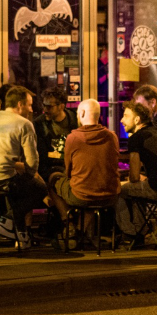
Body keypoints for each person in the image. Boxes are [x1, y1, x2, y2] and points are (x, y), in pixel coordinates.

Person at [0, 86, 45, 250]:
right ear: (20, 104)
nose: (31, 110)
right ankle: (8, 221)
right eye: (29, 105)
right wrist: (29, 174)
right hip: (3, 179)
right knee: (40, 188)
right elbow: (32, 161)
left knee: (18, 186)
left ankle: (15, 231)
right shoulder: (24, 124)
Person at [47, 100, 120, 236]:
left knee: (53, 178)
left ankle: (68, 223)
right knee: (91, 188)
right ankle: (81, 231)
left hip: (81, 195)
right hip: (110, 195)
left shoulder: (73, 138)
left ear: (82, 113)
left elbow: (68, 171)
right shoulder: (112, 137)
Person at [116, 100, 157, 247]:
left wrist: (133, 177)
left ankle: (129, 232)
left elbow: (134, 177)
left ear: (137, 120)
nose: (121, 120)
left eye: (125, 116)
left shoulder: (136, 139)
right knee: (136, 191)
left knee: (118, 191)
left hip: (156, 189)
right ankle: (141, 231)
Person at [34, 86, 76, 183]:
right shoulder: (39, 124)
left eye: (49, 107)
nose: (45, 110)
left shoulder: (75, 120)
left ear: (61, 106)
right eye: (44, 105)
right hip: (50, 171)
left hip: (73, 169)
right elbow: (41, 157)